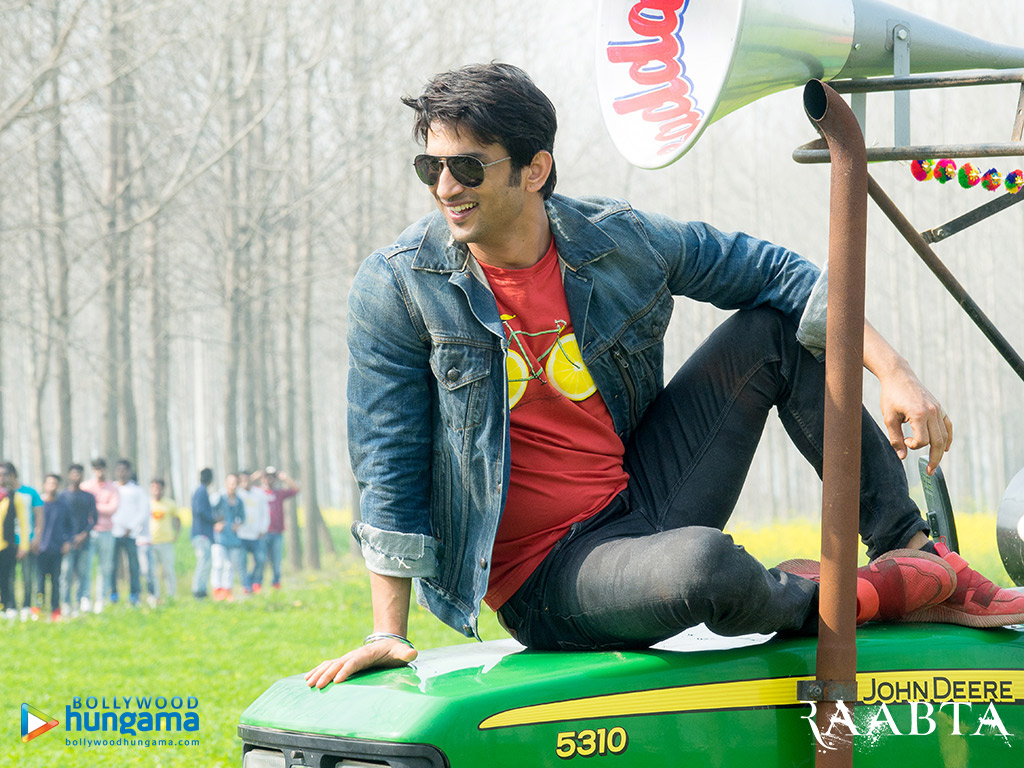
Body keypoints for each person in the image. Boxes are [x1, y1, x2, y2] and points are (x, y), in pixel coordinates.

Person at [306, 63, 1024, 689]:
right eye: (429, 168)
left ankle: (912, 551)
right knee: (704, 568)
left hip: (644, 495)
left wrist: (895, 372)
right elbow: (388, 459)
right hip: (550, 577)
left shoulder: (616, 240)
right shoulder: (400, 286)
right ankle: (872, 593)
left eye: (467, 168)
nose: (445, 187)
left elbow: (779, 273)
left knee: (775, 330)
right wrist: (386, 631)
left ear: (535, 169)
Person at [81, 457, 118, 613]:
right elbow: (82, 507)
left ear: (106, 470)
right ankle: (85, 598)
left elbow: (112, 509)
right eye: (96, 469)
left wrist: (93, 506)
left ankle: (101, 599)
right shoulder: (85, 486)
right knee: (86, 567)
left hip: (106, 532)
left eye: (101, 469)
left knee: (105, 567)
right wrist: (99, 507)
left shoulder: (113, 488)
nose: (99, 472)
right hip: (89, 532)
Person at [60, 463, 97, 616]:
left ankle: (82, 600)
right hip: (67, 542)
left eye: (79, 474)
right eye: (74, 473)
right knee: (66, 574)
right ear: (69, 475)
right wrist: (68, 539)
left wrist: (84, 534)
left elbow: (94, 518)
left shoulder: (88, 496)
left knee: (83, 573)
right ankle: (66, 603)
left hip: (85, 541)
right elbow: (60, 521)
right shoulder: (62, 497)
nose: (76, 477)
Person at [252, 467, 298, 590]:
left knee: (276, 560)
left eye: (272, 477)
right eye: (267, 476)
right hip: (262, 533)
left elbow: (295, 490)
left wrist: (285, 478)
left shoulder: (279, 493)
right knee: (261, 559)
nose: (269, 479)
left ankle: (276, 582)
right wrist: (254, 476)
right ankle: (257, 583)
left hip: (277, 533)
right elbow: (243, 488)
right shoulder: (258, 492)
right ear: (263, 478)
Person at [36, 474, 73, 620]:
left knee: (55, 581)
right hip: (40, 549)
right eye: (50, 483)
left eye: (55, 483)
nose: (52, 486)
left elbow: (70, 527)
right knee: (40, 581)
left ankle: (55, 610)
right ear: (45, 485)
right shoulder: (39, 505)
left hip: (57, 549)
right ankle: (39, 609)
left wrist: (67, 542)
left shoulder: (64, 505)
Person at [110, 459, 146, 605]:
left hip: (131, 534)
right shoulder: (111, 488)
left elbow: (142, 511)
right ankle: (113, 594)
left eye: (125, 470)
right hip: (113, 533)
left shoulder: (137, 490)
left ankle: (134, 595)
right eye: (119, 470)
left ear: (129, 472)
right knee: (112, 565)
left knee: (133, 566)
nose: (122, 473)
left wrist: (131, 527)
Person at [0, 462, 30, 618]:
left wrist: (24, 545)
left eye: (4, 475)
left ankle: (10, 606)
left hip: (7, 544)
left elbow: (24, 523)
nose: (1, 478)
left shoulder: (15, 497)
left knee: (8, 577)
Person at [13, 474, 43, 620]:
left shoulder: (29, 492)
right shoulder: (4, 494)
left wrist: (36, 537)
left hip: (27, 541)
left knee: (28, 577)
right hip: (8, 543)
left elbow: (39, 515)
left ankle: (28, 606)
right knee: (8, 578)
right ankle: (9, 606)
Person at [211, 473, 245, 601]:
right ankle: (217, 590)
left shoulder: (239, 501)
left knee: (230, 566)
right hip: (219, 538)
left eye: (235, 483)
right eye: (231, 483)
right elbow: (209, 512)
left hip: (234, 539)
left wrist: (238, 524)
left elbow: (243, 516)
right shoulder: (218, 497)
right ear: (226, 483)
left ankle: (227, 590)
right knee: (218, 564)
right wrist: (215, 524)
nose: (233, 485)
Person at [236, 470, 270, 594]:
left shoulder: (259, 494)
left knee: (261, 560)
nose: (245, 483)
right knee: (242, 563)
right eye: (242, 480)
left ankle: (255, 581)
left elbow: (265, 512)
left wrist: (263, 529)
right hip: (241, 534)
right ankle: (245, 586)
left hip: (257, 534)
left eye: (247, 479)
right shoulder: (237, 494)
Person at [148, 478, 180, 602]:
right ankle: (155, 596)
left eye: (158, 488)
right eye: (153, 488)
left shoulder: (170, 503)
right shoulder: (147, 503)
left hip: (166, 542)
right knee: (152, 572)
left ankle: (171, 595)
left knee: (168, 570)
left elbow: (177, 519)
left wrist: (176, 535)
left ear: (163, 489)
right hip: (151, 542)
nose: (156, 491)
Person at [190, 468, 216, 599]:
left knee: (205, 561)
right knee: (203, 561)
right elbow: (200, 510)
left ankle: (201, 589)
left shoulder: (200, 491)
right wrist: (214, 519)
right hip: (202, 533)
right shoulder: (201, 491)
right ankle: (198, 590)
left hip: (201, 533)